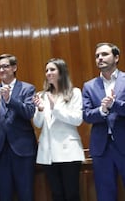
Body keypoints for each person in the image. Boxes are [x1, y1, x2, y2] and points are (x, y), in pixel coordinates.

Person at [0, 54, 37, 201]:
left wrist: (10, 100)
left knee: (26, 194)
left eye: (5, 66)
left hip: (23, 149)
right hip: (0, 150)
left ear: (14, 68)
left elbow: (29, 112)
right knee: (4, 195)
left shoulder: (27, 89)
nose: (2, 69)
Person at [32, 58, 85, 201]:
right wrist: (41, 109)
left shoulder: (74, 93)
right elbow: (38, 123)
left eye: (52, 69)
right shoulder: (41, 95)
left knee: (72, 194)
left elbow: (77, 119)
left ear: (62, 72)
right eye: (47, 70)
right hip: (48, 152)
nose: (48, 73)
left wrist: (55, 108)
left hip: (68, 151)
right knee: (57, 194)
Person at [82, 42, 125, 201]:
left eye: (104, 54)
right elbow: (86, 115)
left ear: (116, 57)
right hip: (101, 148)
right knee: (105, 194)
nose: (100, 58)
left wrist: (114, 105)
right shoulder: (89, 86)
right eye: (97, 56)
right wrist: (103, 110)